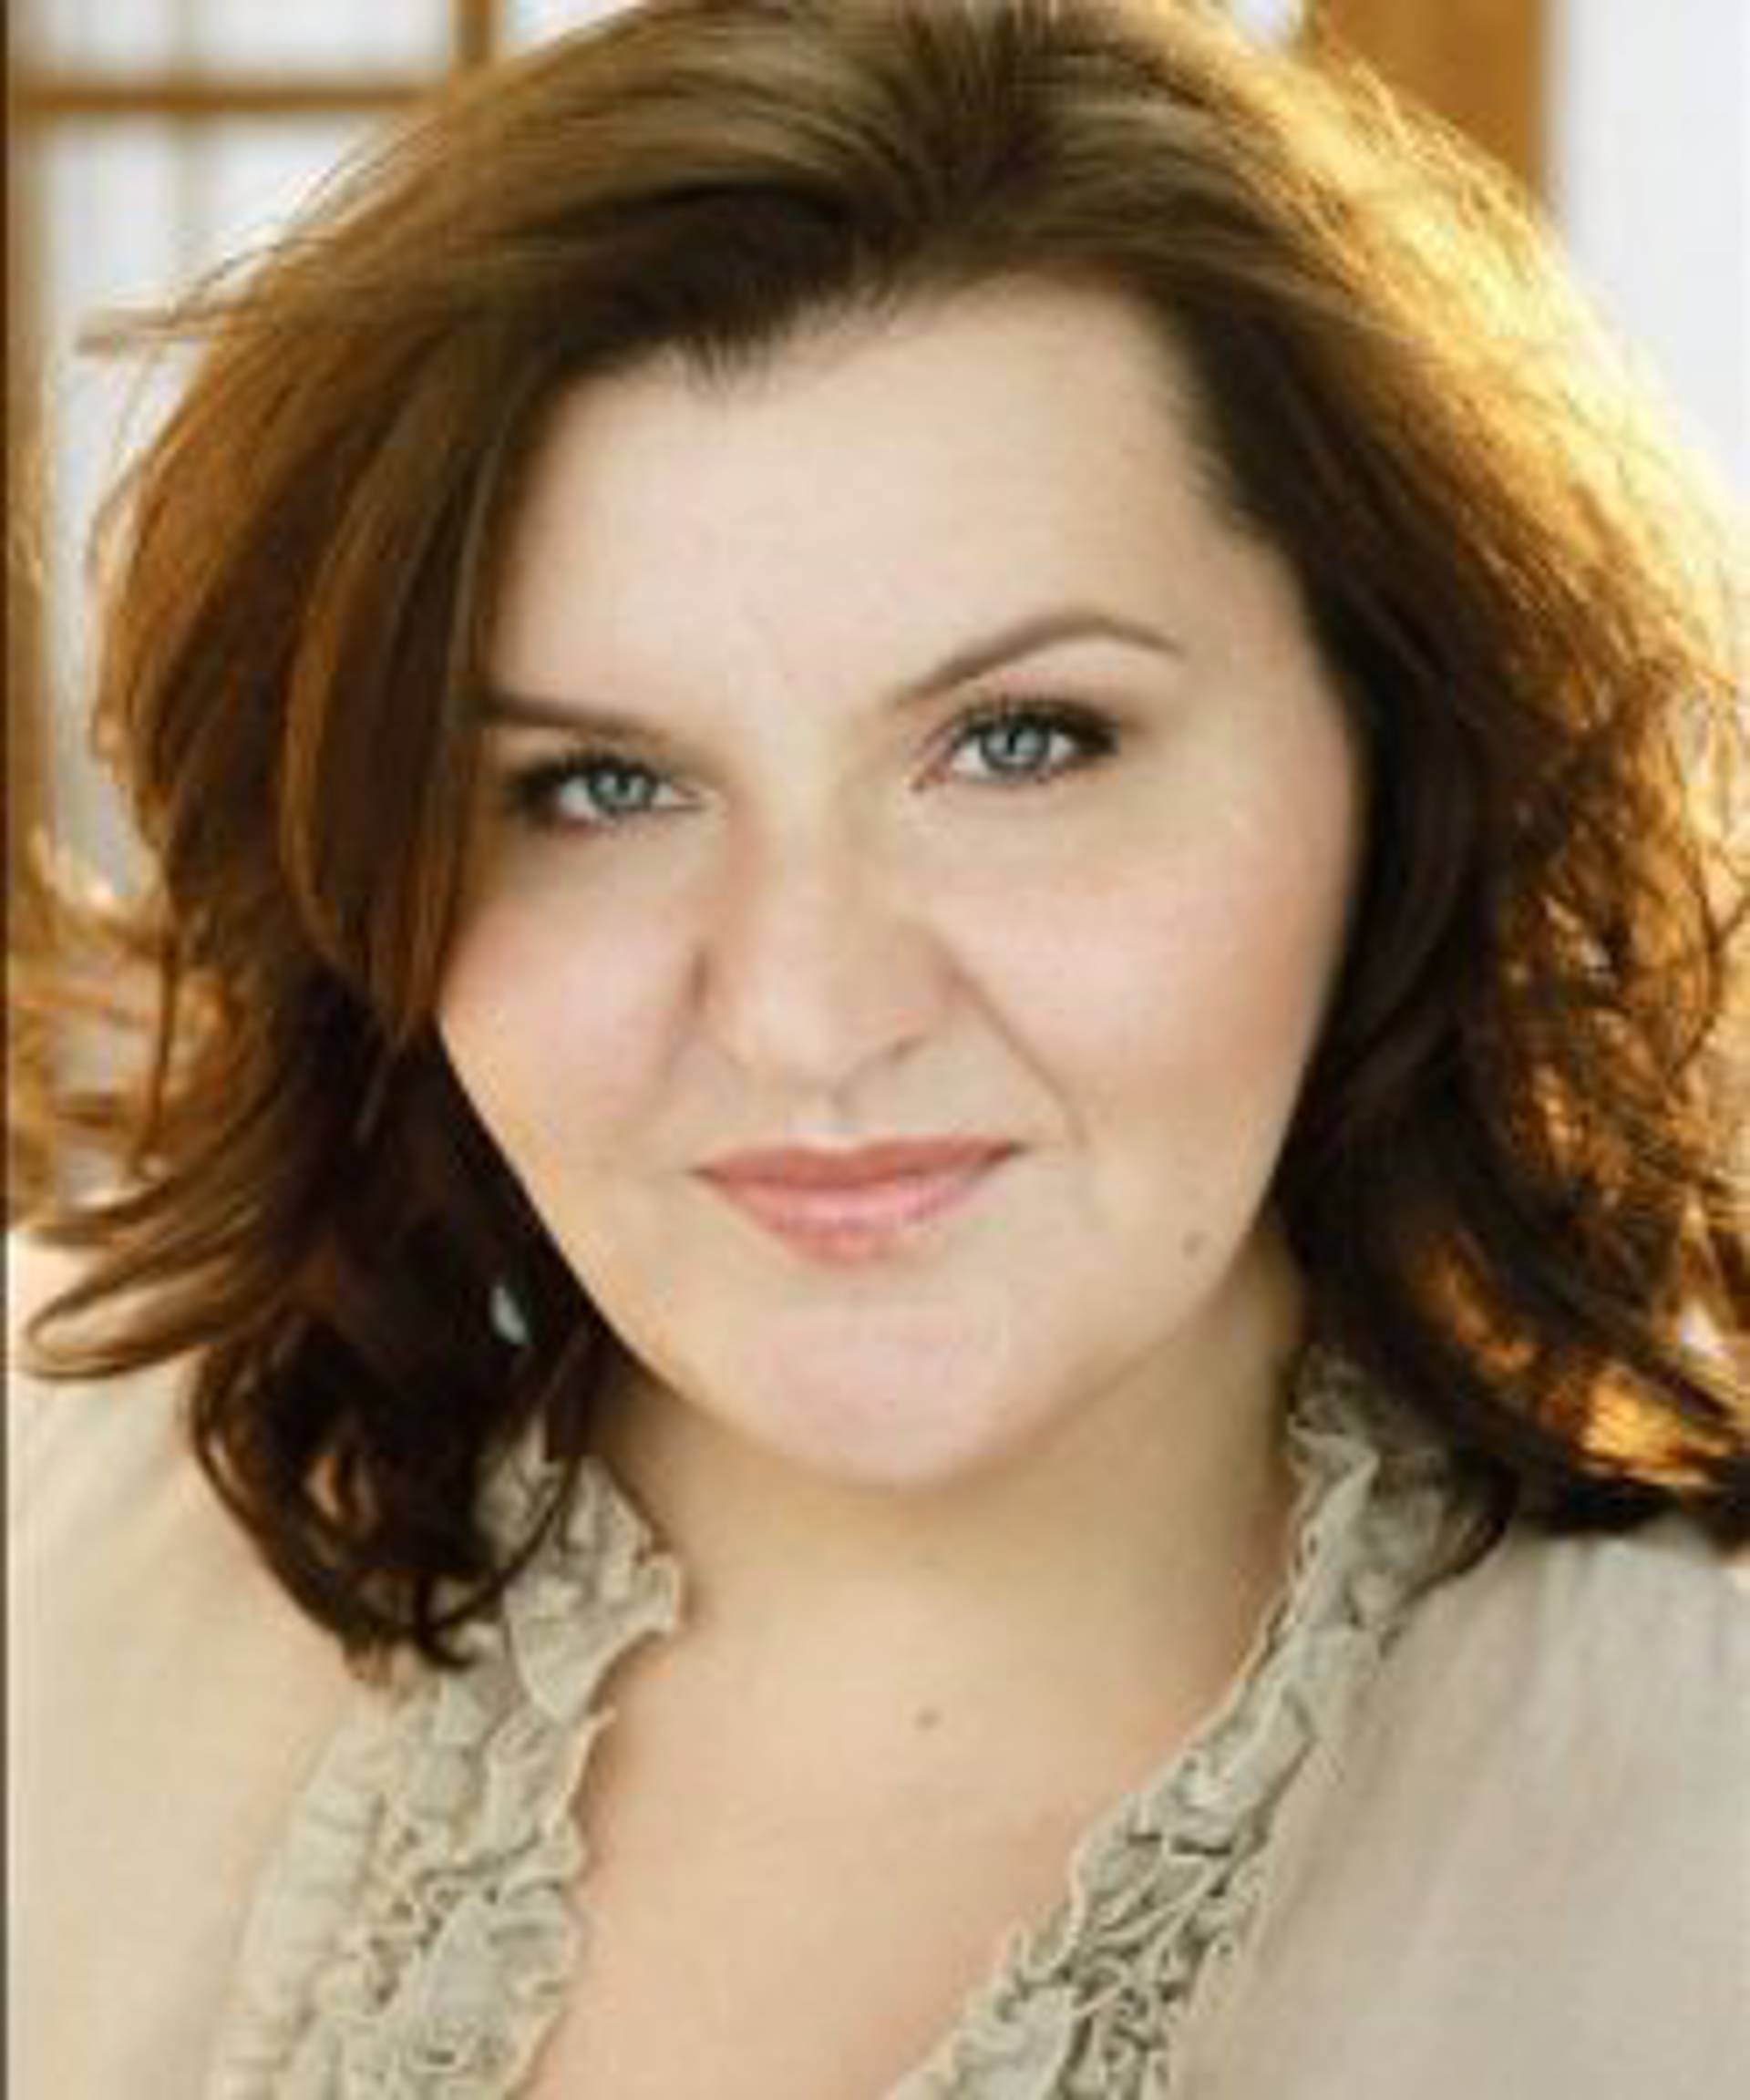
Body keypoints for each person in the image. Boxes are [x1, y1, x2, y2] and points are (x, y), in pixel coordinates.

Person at [9, 2, 1747, 2093]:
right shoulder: (50, 1533)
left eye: (1021, 745)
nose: (810, 1013)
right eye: (593, 787)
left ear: (1406, 759)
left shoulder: (1691, 1831)